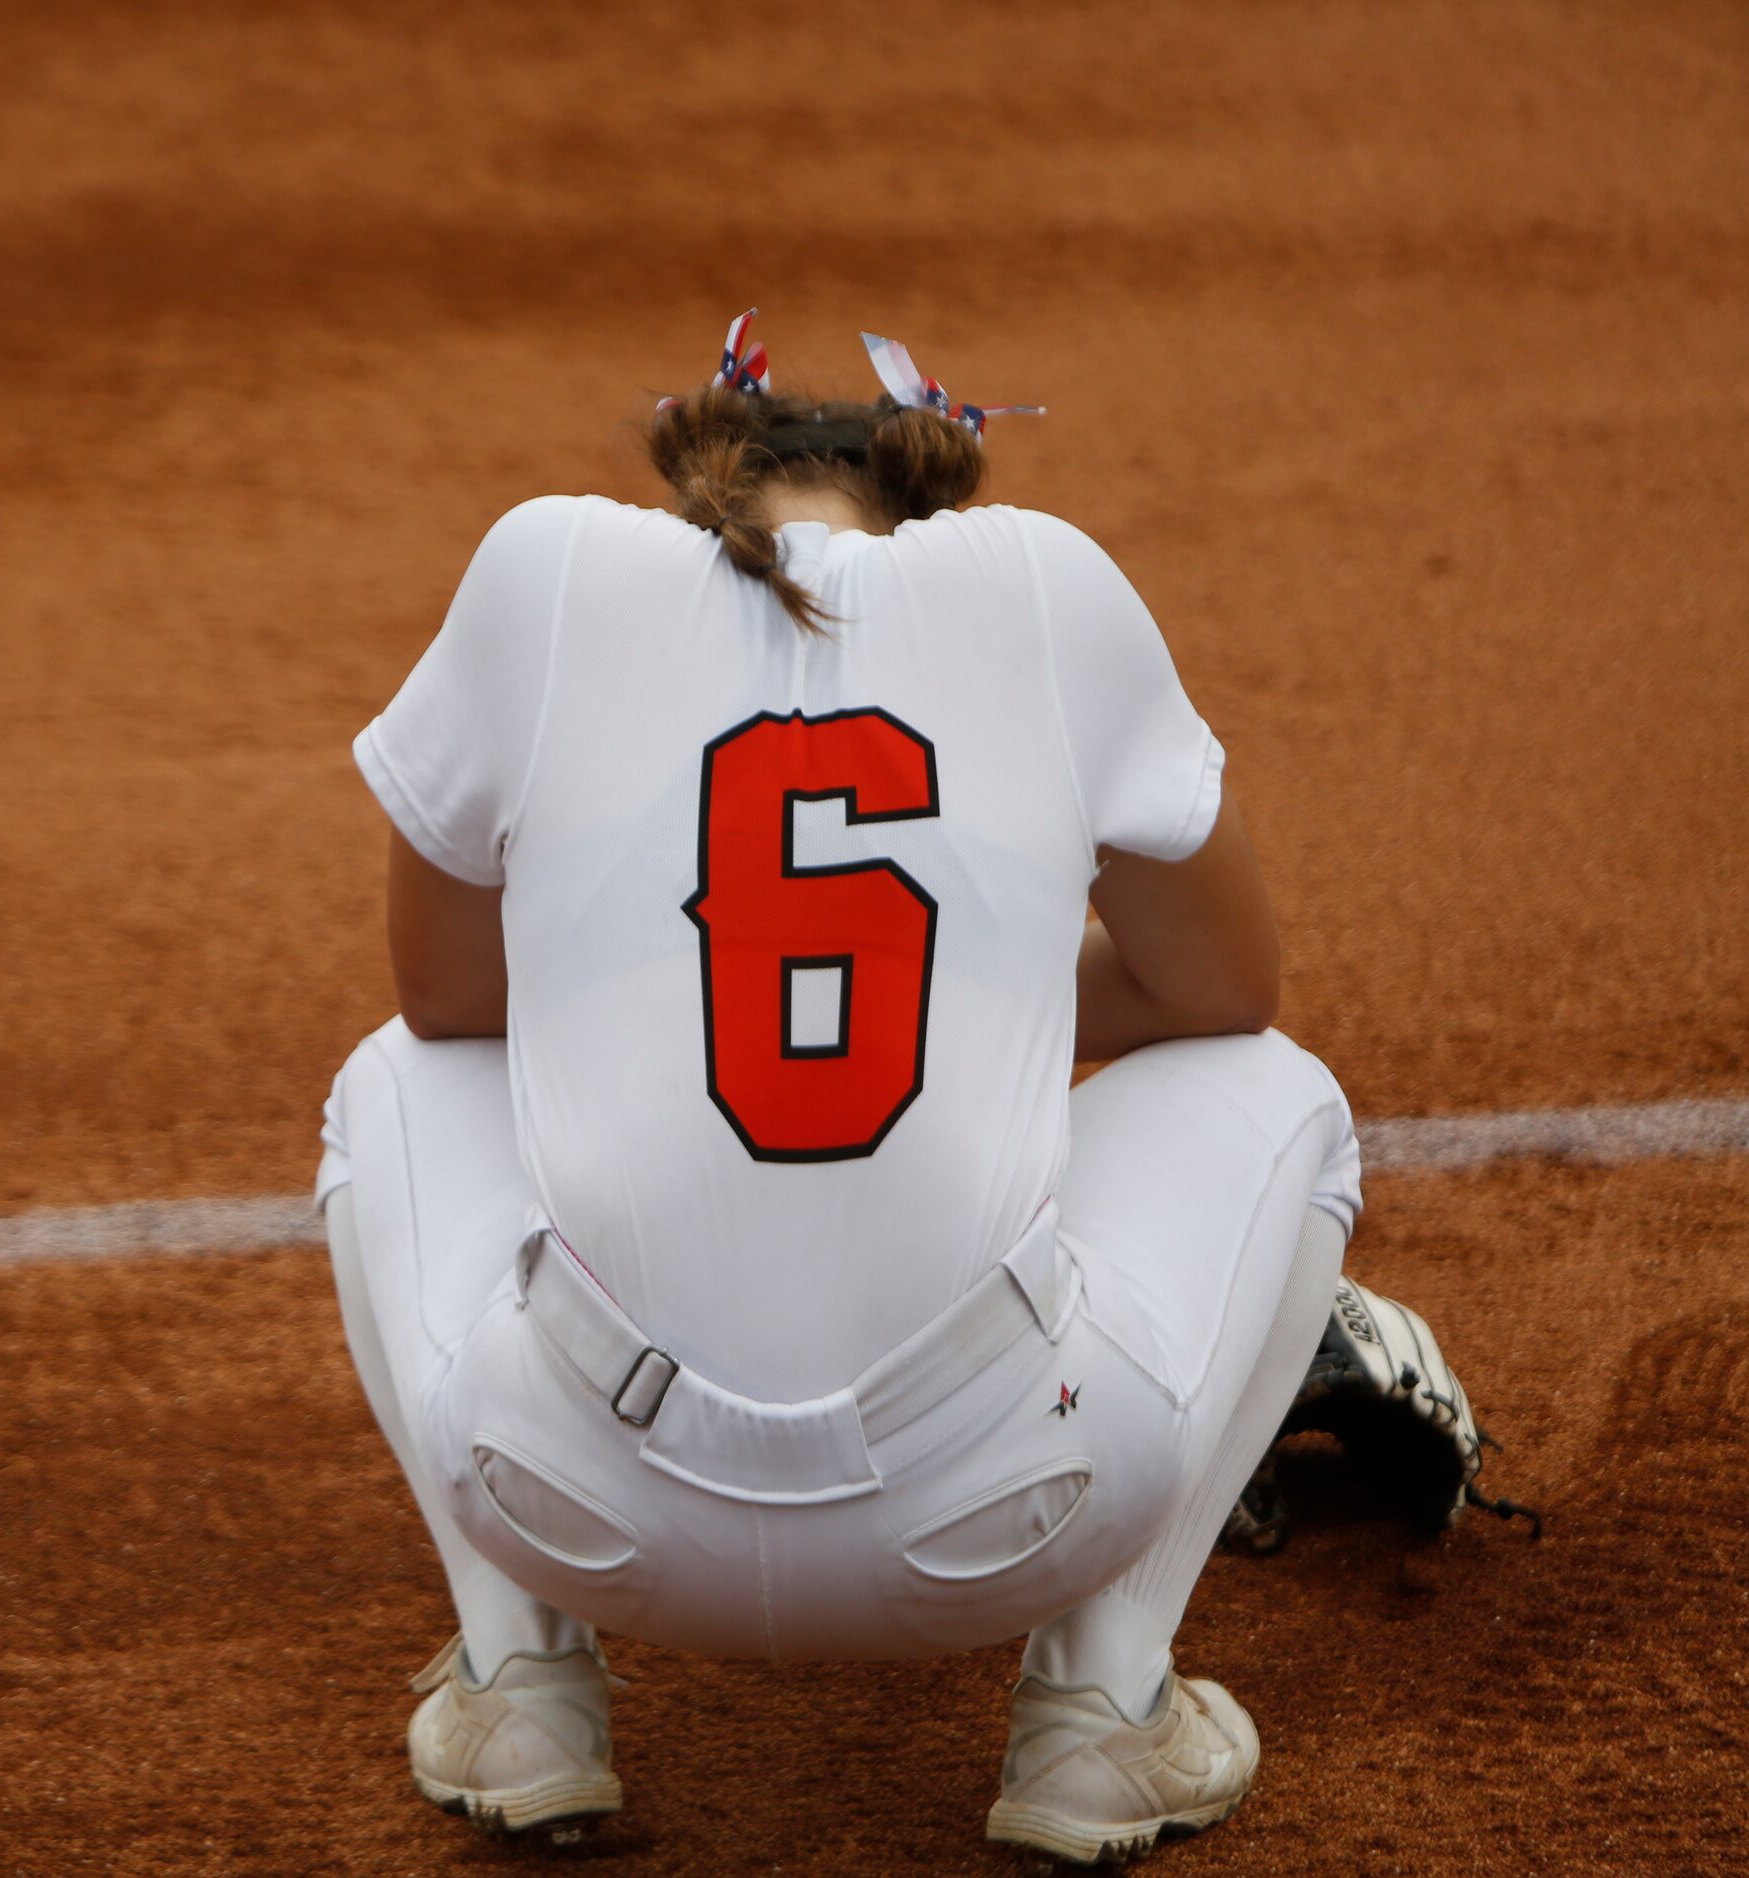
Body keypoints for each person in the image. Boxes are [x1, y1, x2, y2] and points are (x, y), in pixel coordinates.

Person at [315, 314, 1363, 1864]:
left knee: (390, 1080)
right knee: (1282, 1093)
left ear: (706, 510)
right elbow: (1221, 992)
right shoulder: (1041, 582)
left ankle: (521, 1680)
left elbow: (449, 1000)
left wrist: (645, 960)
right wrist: (968, 985)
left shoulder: (543, 572)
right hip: (1013, 1500)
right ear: (919, 514)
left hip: (573, 1496)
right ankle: (1099, 1706)